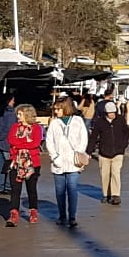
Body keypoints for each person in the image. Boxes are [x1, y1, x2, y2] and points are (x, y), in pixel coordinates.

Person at [45, 97, 90, 228]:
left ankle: (72, 216)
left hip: (73, 162)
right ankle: (62, 215)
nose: (56, 111)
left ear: (65, 108)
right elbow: (49, 141)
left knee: (72, 189)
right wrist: (54, 157)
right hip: (58, 162)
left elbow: (83, 138)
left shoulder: (78, 121)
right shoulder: (54, 123)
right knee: (59, 191)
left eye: (58, 108)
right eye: (55, 109)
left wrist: (79, 152)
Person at [7, 104, 45, 226]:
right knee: (15, 189)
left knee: (31, 189)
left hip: (32, 162)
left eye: (20, 114)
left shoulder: (37, 128)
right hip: (15, 161)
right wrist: (24, 143)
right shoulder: (14, 127)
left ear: (27, 115)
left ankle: (33, 211)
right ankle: (13, 214)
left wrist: (19, 144)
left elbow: (35, 143)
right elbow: (10, 140)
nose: (17, 117)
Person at [92, 99, 129, 205]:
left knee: (115, 172)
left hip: (118, 151)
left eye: (114, 112)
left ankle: (115, 195)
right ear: (105, 113)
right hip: (104, 152)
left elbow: (126, 132)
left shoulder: (121, 120)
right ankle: (106, 194)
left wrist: (124, 144)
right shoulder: (99, 122)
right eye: (110, 113)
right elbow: (94, 137)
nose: (112, 115)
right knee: (104, 174)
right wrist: (88, 151)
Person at [0, 102, 19, 193]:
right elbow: (9, 130)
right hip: (7, 144)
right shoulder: (11, 114)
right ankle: (7, 187)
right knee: (9, 167)